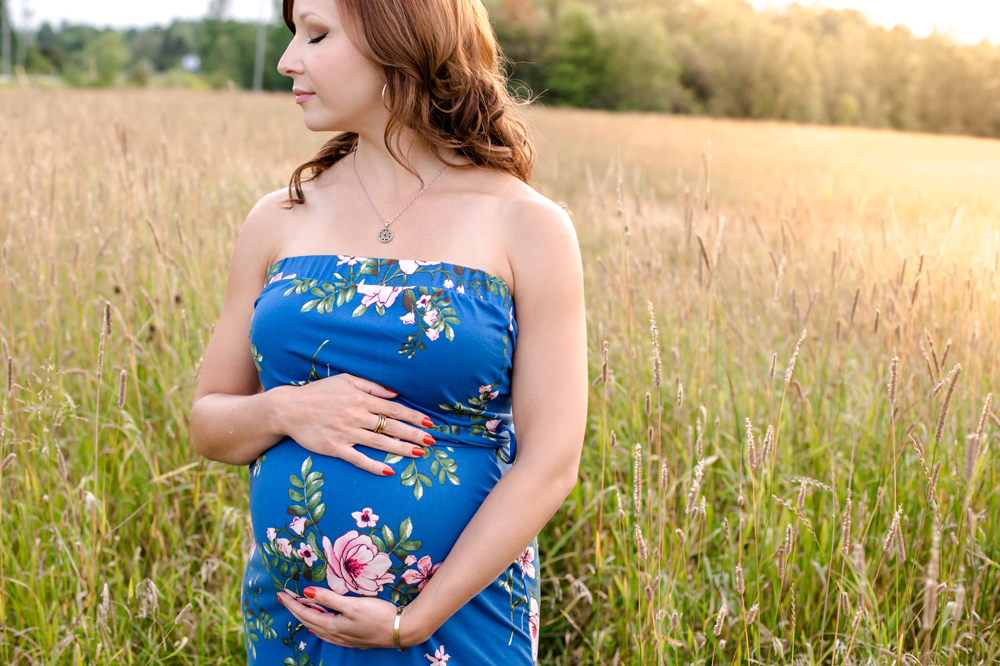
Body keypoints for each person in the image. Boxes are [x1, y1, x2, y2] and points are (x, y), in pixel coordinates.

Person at [189, 0, 587, 663]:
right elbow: (208, 421)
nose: (290, 60)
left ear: (398, 41)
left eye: (316, 35)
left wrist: (415, 620)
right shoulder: (278, 219)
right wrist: (287, 408)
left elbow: (551, 463)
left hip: (456, 621)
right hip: (296, 625)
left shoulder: (528, 227)